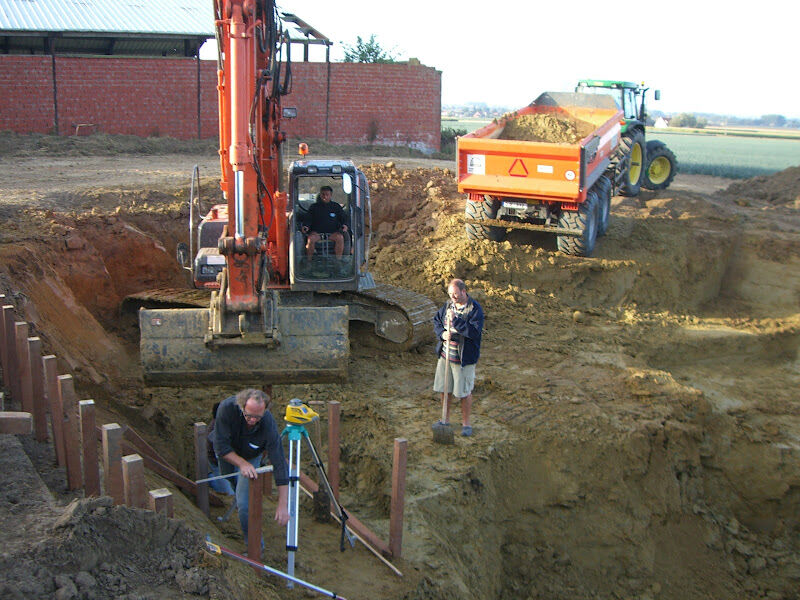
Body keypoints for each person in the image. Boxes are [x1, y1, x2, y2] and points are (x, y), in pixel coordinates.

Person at [212, 389, 290, 546]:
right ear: (241, 407)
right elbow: (221, 447)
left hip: (251, 455)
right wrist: (241, 463)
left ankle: (254, 545)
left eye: (257, 417)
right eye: (249, 416)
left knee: (244, 504)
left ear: (265, 411)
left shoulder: (267, 422)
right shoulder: (226, 409)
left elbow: (279, 462)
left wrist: (283, 504)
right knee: (229, 479)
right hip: (229, 453)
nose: (253, 420)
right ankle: (239, 492)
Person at [432, 279, 484, 437]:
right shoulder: (448, 305)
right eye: (450, 294)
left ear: (463, 291)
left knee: (464, 393)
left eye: (455, 294)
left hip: (463, 360)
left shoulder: (474, 309)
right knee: (444, 389)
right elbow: (436, 321)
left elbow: (474, 332)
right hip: (446, 356)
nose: (453, 297)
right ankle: (445, 420)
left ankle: (466, 424)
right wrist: (442, 334)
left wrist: (455, 321)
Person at [300, 185, 348, 258]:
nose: (325, 196)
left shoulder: (336, 206)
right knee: (310, 239)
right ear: (320, 194)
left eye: (327, 195)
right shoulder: (314, 207)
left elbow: (343, 218)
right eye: (323, 194)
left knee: (340, 238)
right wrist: (306, 226)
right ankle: (308, 262)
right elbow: (308, 219)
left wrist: (345, 225)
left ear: (330, 195)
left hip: (332, 233)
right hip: (317, 234)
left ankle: (339, 261)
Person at [207, 402, 234, 496]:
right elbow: (221, 455)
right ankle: (211, 480)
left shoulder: (223, 424)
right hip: (219, 465)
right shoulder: (216, 429)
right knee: (229, 494)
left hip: (228, 463)